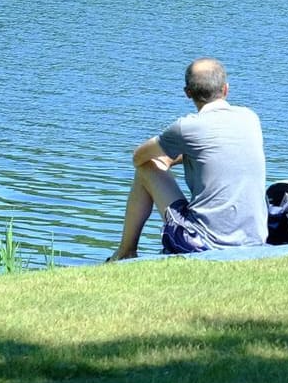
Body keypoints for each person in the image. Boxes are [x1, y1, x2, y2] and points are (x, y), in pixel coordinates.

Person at [108, 57, 267, 259]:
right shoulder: (250, 118)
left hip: (204, 244)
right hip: (255, 240)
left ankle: (125, 251)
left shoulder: (186, 127)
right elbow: (214, 151)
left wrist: (165, 160)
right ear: (226, 89)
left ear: (187, 93)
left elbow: (138, 156)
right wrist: (176, 157)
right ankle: (126, 251)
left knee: (146, 168)